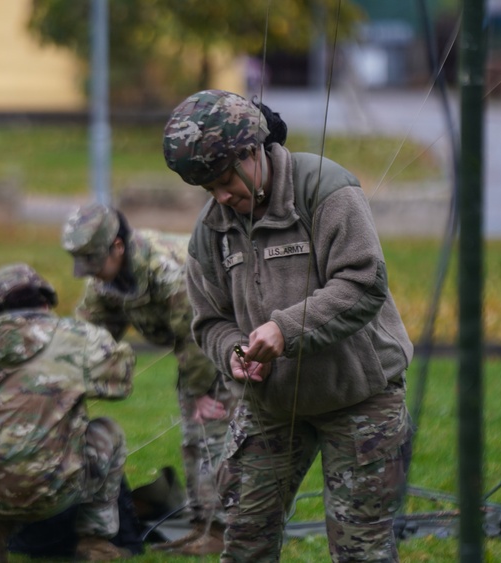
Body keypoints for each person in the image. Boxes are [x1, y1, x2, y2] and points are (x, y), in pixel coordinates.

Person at [163, 89, 414, 562]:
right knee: (243, 539)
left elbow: (363, 282)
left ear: (251, 151)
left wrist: (285, 329)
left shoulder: (325, 189)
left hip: (360, 397)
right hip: (273, 404)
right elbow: (209, 320)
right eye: (206, 188)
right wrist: (234, 353)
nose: (220, 197)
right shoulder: (210, 229)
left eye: (224, 180)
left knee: (362, 550)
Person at [61, 203, 240, 556]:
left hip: (224, 340)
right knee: (195, 440)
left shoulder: (167, 270)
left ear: (117, 247)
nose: (92, 274)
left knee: (216, 436)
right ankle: (201, 525)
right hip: (193, 343)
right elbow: (88, 333)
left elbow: (196, 331)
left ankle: (222, 531)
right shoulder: (106, 278)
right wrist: (63, 380)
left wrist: (202, 391)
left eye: (95, 261)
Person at [0, 263, 136, 562]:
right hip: (51, 491)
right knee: (106, 431)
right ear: (46, 302)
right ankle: (94, 541)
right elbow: (120, 385)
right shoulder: (76, 335)